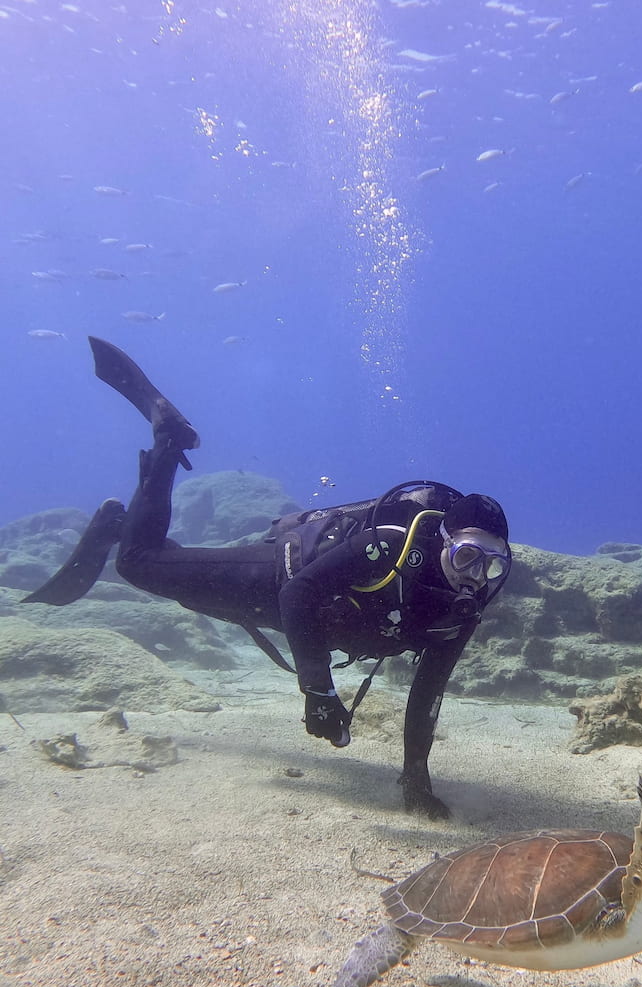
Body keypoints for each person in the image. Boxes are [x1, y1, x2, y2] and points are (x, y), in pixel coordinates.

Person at [25, 338, 511, 818]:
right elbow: (300, 590)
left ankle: (135, 527)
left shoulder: (465, 606)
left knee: (190, 592)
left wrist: (416, 779)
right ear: (443, 541)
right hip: (277, 578)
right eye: (467, 555)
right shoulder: (385, 547)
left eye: (491, 564)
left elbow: (430, 690)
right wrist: (319, 692)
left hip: (303, 621)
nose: (474, 576)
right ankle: (166, 446)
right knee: (137, 565)